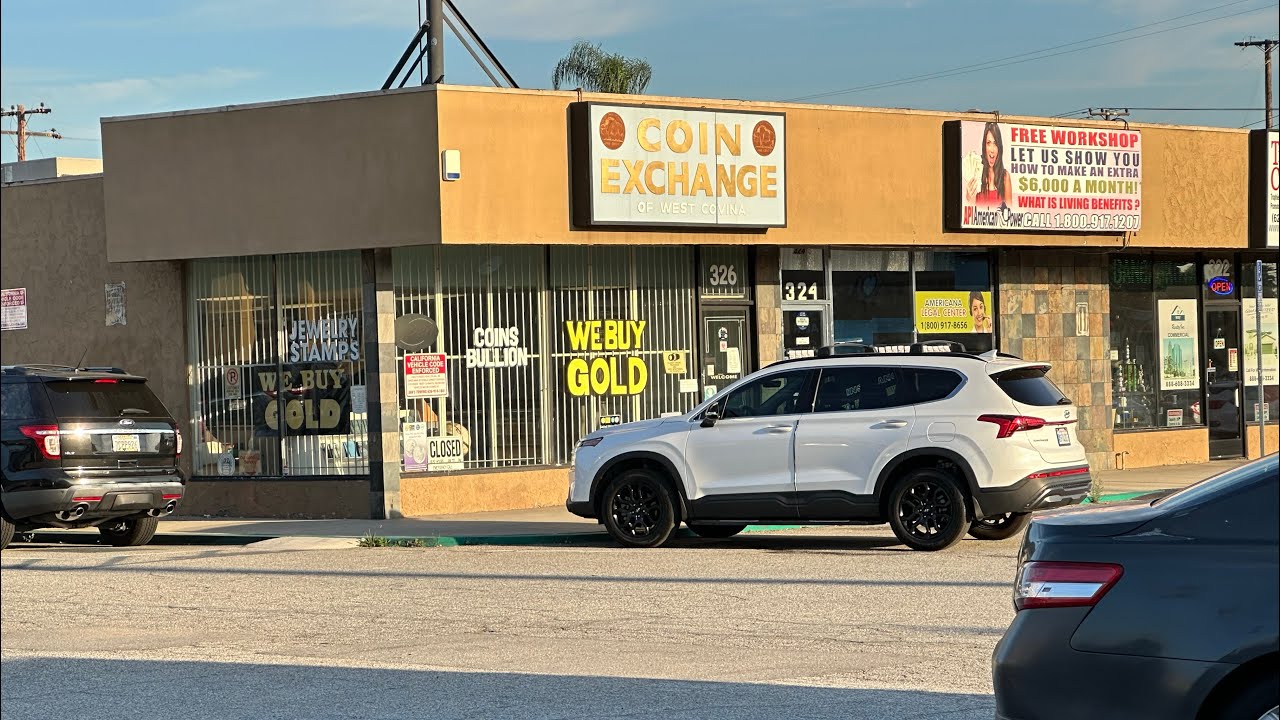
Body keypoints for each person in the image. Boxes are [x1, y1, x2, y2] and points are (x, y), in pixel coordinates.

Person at [965, 122, 1014, 209]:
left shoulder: (1005, 177)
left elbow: (1010, 216)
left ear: (999, 147)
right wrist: (969, 197)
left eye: (995, 143)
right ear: (984, 146)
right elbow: (970, 213)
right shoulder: (976, 171)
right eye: (988, 143)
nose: (992, 149)